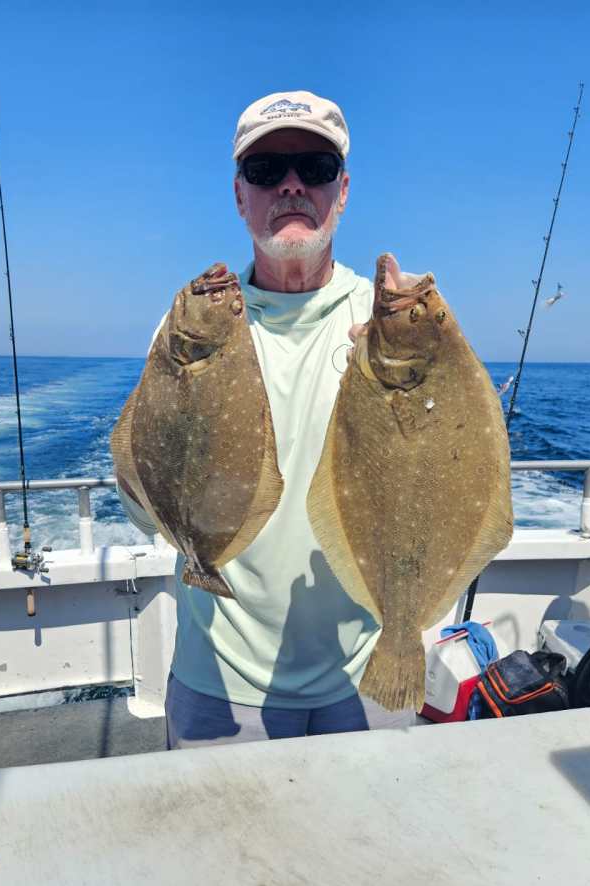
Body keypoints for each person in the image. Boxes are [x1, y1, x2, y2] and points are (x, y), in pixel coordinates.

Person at [117, 90, 422, 748]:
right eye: (265, 171)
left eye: (313, 168)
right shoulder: (187, 331)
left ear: (341, 192)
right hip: (219, 679)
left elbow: (438, 474)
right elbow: (144, 500)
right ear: (239, 195)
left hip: (370, 670)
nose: (290, 185)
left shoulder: (389, 323)